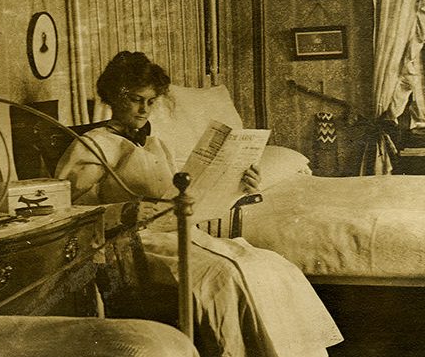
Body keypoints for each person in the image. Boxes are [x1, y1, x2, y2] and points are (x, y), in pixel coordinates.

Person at [56, 51, 342, 356]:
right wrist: (124, 211)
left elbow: (174, 194)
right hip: (133, 245)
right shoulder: (94, 145)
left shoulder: (154, 142)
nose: (145, 109)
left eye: (151, 101)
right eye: (137, 99)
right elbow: (67, 212)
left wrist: (238, 183)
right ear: (114, 96)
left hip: (174, 232)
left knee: (269, 264)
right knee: (225, 277)